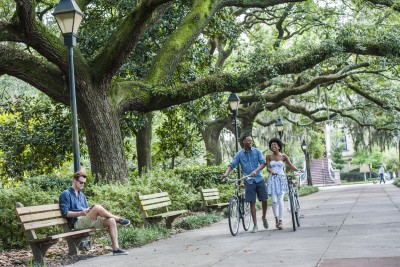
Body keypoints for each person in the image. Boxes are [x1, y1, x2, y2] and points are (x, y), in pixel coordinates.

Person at [59, 170, 130, 256]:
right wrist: (81, 213)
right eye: (81, 182)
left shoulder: (82, 195)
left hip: (86, 220)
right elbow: (65, 213)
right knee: (97, 208)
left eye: (84, 183)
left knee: (111, 220)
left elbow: (85, 210)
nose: (82, 185)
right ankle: (118, 219)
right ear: (74, 180)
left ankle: (116, 249)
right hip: (76, 222)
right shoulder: (66, 194)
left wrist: (90, 209)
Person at [223, 134, 268, 233]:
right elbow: (232, 164)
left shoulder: (257, 151)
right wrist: (226, 173)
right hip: (248, 181)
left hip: (259, 179)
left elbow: (263, 163)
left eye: (251, 141)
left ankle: (264, 217)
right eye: (248, 141)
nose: (250, 142)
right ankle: (255, 225)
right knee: (252, 202)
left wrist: (255, 171)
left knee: (264, 199)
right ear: (243, 141)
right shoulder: (239, 154)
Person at [266, 138, 302, 230]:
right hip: (273, 179)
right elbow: (268, 168)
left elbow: (291, 165)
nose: (273, 146)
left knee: (280, 200)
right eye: (271, 145)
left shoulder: (284, 156)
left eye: (274, 145)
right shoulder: (269, 156)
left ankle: (281, 221)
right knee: (274, 201)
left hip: (281, 179)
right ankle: (276, 219)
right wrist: (272, 171)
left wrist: (298, 170)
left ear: (278, 146)